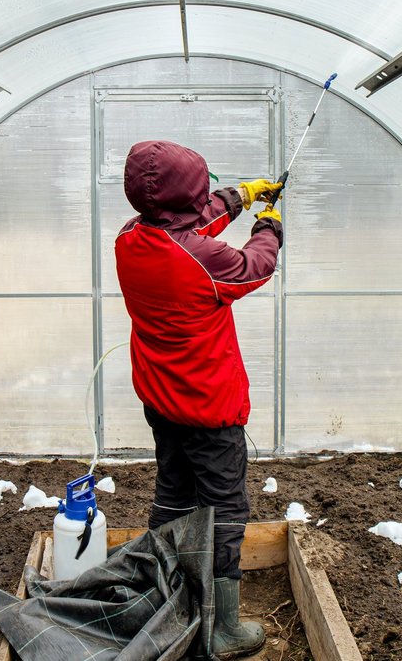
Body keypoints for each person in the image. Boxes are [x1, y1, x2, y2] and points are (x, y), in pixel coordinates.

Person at [115, 140, 283, 659]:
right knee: (226, 509)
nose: (209, 197)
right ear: (190, 196)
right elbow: (255, 266)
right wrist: (269, 224)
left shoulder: (129, 236)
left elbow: (194, 223)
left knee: (174, 491)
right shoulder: (203, 259)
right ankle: (223, 628)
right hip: (210, 408)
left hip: (161, 400)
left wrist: (243, 195)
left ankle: (165, 592)